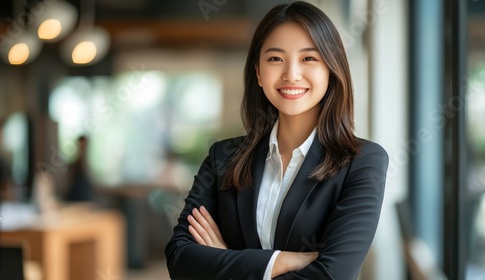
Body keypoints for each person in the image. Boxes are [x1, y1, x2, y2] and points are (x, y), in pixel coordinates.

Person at [165, 2, 389, 279]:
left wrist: (226, 260)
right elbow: (180, 259)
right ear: (258, 72)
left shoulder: (363, 161)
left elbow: (333, 275)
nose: (291, 74)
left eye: (309, 58)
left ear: (331, 70)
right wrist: (279, 262)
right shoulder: (222, 157)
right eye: (275, 59)